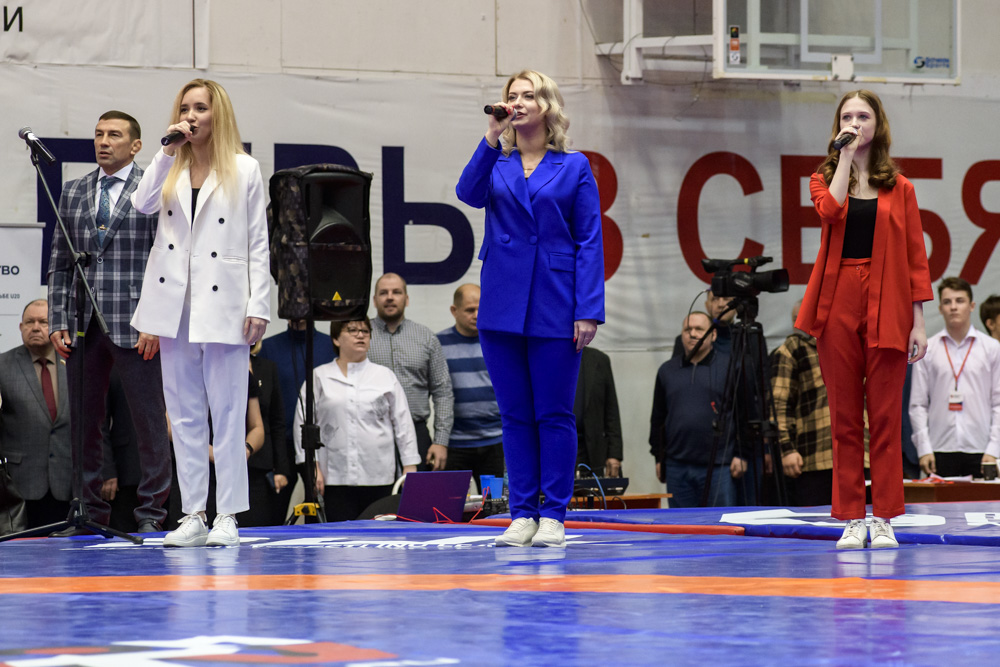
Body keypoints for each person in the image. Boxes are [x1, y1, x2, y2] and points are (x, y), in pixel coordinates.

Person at [456, 69, 605, 548]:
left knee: (554, 414)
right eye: (512, 96)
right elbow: (466, 193)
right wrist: (490, 137)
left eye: (528, 95)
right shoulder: (497, 162)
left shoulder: (574, 166)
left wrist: (588, 308)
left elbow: (589, 239)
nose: (517, 102)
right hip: (502, 299)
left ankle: (554, 513)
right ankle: (522, 513)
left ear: (547, 106)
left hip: (555, 300)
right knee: (515, 415)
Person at [130, 78, 270, 547]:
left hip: (225, 300)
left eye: (201, 108)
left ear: (218, 114)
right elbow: (141, 203)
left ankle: (227, 513)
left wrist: (259, 304)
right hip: (174, 302)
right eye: (185, 108)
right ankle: (193, 512)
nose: (191, 116)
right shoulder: (170, 163)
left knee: (228, 411)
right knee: (184, 412)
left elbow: (258, 242)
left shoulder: (244, 168)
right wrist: (166, 150)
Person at [795, 90, 933, 550]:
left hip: (889, 299)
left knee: (887, 415)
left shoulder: (901, 187)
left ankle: (886, 516)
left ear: (879, 124)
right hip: (837, 298)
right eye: (847, 116)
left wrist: (918, 321)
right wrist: (844, 159)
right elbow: (831, 211)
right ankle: (853, 517)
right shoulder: (822, 178)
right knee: (845, 417)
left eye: (863, 116)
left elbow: (915, 257)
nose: (855, 123)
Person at [47, 110, 171, 535]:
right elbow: (60, 261)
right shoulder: (74, 190)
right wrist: (58, 318)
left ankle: (152, 513)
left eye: (114, 135)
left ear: (136, 146)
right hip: (83, 322)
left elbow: (165, 261)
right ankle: (87, 513)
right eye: (99, 134)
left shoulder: (155, 188)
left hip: (137, 323)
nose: (103, 141)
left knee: (148, 423)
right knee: (84, 424)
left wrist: (156, 320)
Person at [295, 318, 420, 521]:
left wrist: (410, 466)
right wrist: (311, 467)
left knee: (378, 532)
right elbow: (302, 424)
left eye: (365, 331)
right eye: (352, 330)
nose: (360, 335)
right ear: (336, 339)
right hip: (333, 475)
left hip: (378, 474)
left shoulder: (384, 376)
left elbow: (403, 423)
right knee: (337, 535)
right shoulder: (319, 376)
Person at [909, 277, 1000, 478]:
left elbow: (998, 403)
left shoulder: (992, 348)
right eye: (947, 302)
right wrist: (924, 448)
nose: (953, 307)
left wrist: (994, 449)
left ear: (971, 306)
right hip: (938, 450)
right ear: (940, 308)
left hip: (982, 450)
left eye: (960, 301)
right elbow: (918, 405)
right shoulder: (928, 349)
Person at [650, 312, 737, 508]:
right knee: (682, 525)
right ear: (681, 335)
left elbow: (740, 414)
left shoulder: (729, 367)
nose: (693, 334)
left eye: (699, 329)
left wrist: (741, 455)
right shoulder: (667, 371)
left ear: (713, 335)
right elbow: (658, 418)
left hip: (719, 467)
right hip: (677, 467)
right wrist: (659, 457)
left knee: (720, 524)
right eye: (688, 329)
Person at [368, 273, 453, 472]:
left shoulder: (425, 337)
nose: (390, 297)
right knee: (377, 491)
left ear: (406, 299)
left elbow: (442, 392)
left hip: (416, 432)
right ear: (374, 300)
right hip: (371, 432)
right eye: (383, 293)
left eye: (396, 292)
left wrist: (440, 441)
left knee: (416, 491)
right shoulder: (360, 336)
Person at [0, 300, 72, 529]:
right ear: (20, 327)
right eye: (29, 322)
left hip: (68, 483)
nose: (35, 327)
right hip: (18, 485)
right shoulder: (2, 365)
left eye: (43, 322)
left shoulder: (74, 364)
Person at [257, 319, 336, 524]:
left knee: (321, 513)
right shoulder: (268, 348)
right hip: (280, 444)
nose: (298, 306)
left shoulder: (331, 346)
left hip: (319, 445)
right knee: (271, 515)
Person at [437, 284, 504, 491]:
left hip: (495, 441)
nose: (476, 315)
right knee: (450, 505)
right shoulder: (438, 344)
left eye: (480, 309)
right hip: (455, 444)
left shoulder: (499, 342)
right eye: (469, 310)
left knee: (495, 504)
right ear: (454, 311)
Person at [770, 299, 834, 507]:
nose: (800, 324)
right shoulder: (792, 349)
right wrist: (786, 449)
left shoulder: (850, 346)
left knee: (867, 519)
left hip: (862, 455)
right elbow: (779, 404)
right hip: (815, 456)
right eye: (796, 320)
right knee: (818, 519)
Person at [246, 345, 290, 526]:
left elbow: (277, 421)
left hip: (260, 461)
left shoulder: (267, 367)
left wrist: (281, 468)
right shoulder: (214, 366)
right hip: (217, 459)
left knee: (258, 524)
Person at [574, 346, 623, 478]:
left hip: (591, 452)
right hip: (555, 450)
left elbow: (611, 411)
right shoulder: (546, 359)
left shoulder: (599, 360)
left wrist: (614, 454)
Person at [672, 289, 735, 359]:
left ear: (736, 306)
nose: (721, 304)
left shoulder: (743, 339)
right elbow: (677, 365)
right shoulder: (689, 340)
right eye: (715, 299)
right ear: (707, 306)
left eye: (726, 299)